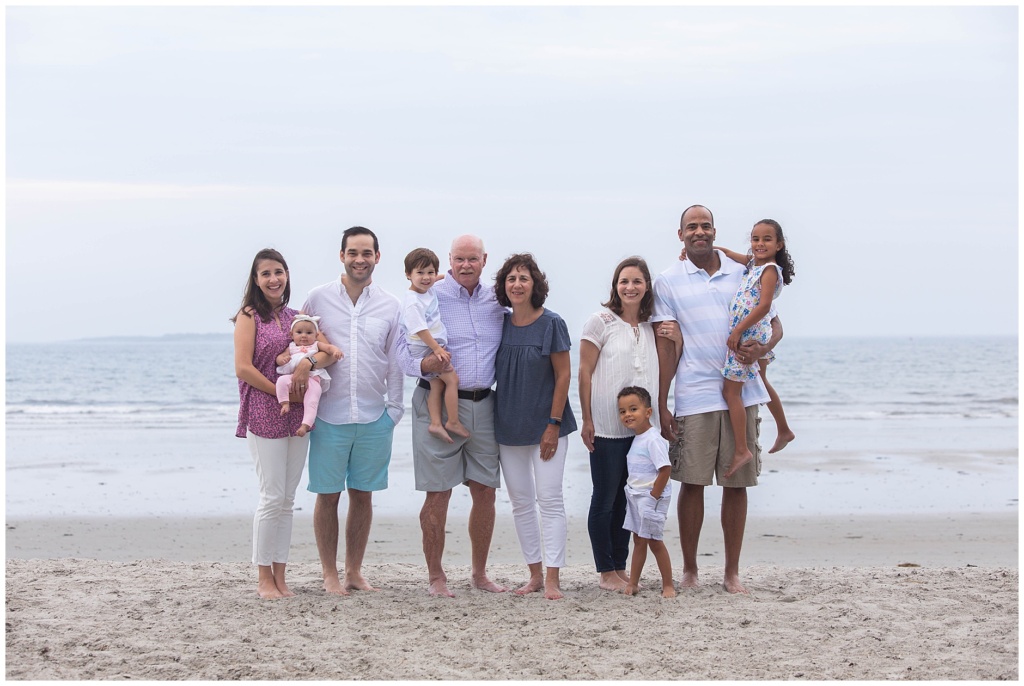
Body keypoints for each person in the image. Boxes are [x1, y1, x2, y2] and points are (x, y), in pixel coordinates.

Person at [652, 204, 782, 595]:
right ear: (680, 235)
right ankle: (690, 570)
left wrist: (763, 349)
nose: (699, 232)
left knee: (736, 485)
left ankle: (731, 572)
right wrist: (662, 403)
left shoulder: (744, 271)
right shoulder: (667, 281)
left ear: (714, 231)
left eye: (705, 226)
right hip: (694, 393)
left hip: (741, 391)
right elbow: (666, 346)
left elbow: (774, 324)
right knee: (691, 484)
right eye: (691, 227)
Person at [292, 226, 404, 596]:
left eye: (366, 253)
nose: (360, 259)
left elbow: (395, 361)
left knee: (363, 495)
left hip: (374, 416)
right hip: (328, 415)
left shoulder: (391, 305)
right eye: (353, 252)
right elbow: (297, 339)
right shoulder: (317, 298)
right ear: (342, 255)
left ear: (377, 257)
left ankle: (354, 571)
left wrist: (394, 412)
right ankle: (329, 574)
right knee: (327, 495)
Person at [394, 235, 506, 598]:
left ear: (484, 260)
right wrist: (426, 365)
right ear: (450, 260)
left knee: (485, 491)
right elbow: (401, 354)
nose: (466, 265)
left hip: (484, 405)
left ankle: (479, 574)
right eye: (459, 259)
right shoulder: (429, 295)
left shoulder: (498, 299)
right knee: (438, 493)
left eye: (472, 259)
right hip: (435, 402)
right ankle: (436, 576)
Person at [232, 248, 332, 599]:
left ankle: (280, 576)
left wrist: (307, 364)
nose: (274, 279)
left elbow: (324, 350)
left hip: (298, 416)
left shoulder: (296, 317)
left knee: (288, 500)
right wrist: (278, 392)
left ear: (287, 275)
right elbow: (243, 368)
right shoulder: (248, 316)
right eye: (266, 274)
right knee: (271, 496)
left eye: (279, 272)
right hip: (263, 410)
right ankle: (263, 578)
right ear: (256, 280)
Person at [578, 256, 680, 592]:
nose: (630, 287)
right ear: (615, 286)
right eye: (624, 281)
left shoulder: (652, 327)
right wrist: (587, 419)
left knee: (629, 500)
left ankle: (620, 567)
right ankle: (606, 570)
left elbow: (667, 369)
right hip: (607, 428)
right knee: (605, 499)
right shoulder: (600, 322)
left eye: (637, 281)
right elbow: (584, 372)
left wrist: (677, 339)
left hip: (642, 433)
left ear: (647, 286)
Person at [493, 253, 577, 600]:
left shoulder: (552, 323)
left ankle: (553, 578)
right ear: (504, 285)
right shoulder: (499, 323)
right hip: (508, 427)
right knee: (521, 503)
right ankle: (534, 575)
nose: (517, 284)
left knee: (550, 500)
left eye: (523, 278)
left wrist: (553, 424)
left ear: (535, 284)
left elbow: (564, 375)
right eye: (511, 278)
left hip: (547, 426)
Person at [700, 223, 797, 454]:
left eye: (766, 240)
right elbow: (727, 253)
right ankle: (784, 430)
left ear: (779, 245)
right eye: (755, 239)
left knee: (731, 392)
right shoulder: (754, 264)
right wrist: (707, 250)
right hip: (753, 331)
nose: (760, 244)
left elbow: (764, 306)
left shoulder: (769, 270)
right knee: (761, 380)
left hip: (749, 335)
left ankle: (742, 449)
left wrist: (737, 331)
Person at [400, 247, 470, 444]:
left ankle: (436, 423)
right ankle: (453, 422)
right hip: (424, 347)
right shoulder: (412, 301)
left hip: (428, 346)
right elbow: (420, 329)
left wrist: (448, 276)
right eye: (420, 273)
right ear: (408, 274)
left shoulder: (426, 290)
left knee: (436, 384)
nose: (426, 277)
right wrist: (437, 349)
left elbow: (435, 278)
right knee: (452, 380)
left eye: (430, 272)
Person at [617, 386, 675, 599]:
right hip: (635, 495)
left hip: (650, 497)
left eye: (633, 409)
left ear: (648, 412)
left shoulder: (653, 439)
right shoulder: (638, 438)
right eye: (623, 411)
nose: (628, 414)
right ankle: (633, 583)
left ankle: (668, 585)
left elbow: (665, 469)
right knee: (639, 540)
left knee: (654, 541)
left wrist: (653, 497)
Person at [274, 314, 343, 437]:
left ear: (316, 335)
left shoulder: (316, 344)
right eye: (299, 332)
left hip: (313, 379)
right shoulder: (291, 346)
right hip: (294, 376)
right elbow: (280, 357)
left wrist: (335, 351)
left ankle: (305, 425)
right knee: (281, 381)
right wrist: (282, 360)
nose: (304, 335)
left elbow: (328, 347)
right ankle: (284, 403)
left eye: (309, 333)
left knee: (312, 399)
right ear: (291, 335)